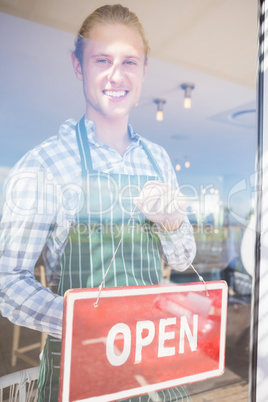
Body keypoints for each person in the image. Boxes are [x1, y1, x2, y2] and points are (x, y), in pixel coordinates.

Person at [0, 4, 196, 401]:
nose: (116, 74)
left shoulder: (158, 159)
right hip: (80, 367)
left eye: (129, 61)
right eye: (102, 59)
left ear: (144, 70)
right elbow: (7, 284)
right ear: (79, 66)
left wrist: (173, 225)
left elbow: (182, 258)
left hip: (152, 359)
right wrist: (90, 323)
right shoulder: (44, 164)